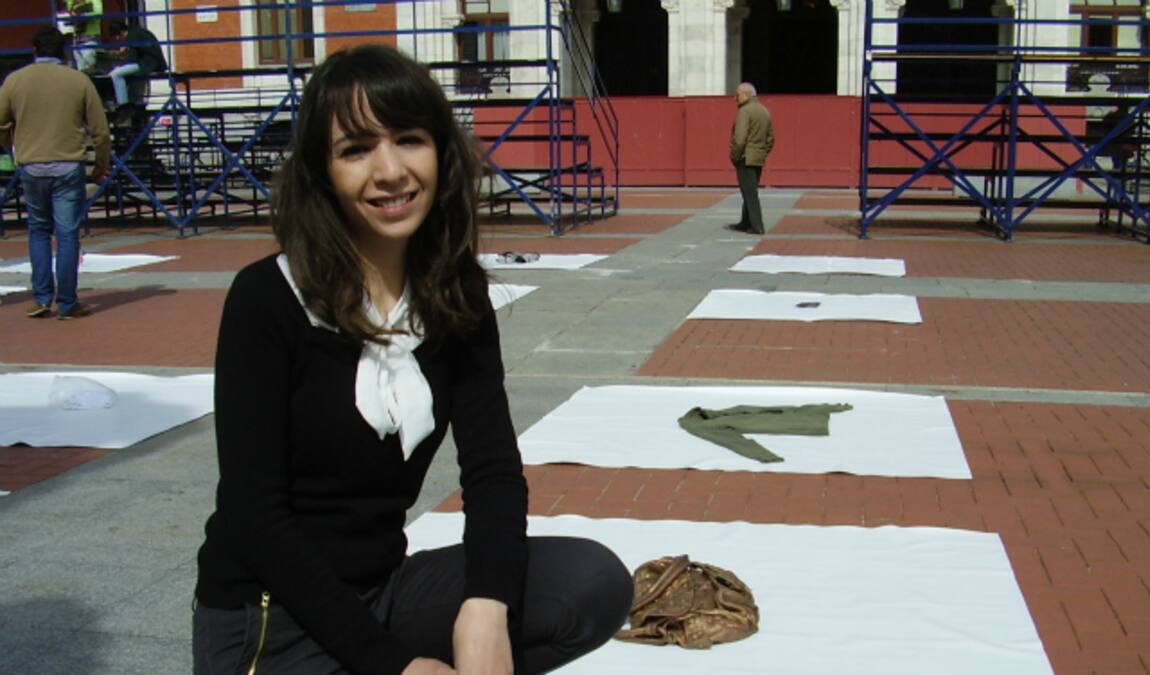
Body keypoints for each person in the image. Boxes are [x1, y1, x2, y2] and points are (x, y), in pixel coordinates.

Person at [192, 44, 633, 675]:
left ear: (440, 152)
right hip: (269, 618)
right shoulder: (269, 298)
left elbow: (493, 470)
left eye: (409, 139)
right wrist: (396, 667)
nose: (391, 171)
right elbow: (255, 516)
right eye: (356, 150)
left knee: (589, 581)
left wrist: (487, 606)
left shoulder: (454, 293)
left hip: (385, 593)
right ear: (322, 170)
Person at [0, 26, 109, 320]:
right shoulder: (78, 80)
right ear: (63, 51)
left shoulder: (15, 80)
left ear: (34, 50)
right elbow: (100, 130)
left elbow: (1, 122)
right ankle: (68, 302)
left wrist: (13, 147)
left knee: (38, 230)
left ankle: (41, 297)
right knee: (67, 233)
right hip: (68, 164)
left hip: (31, 164)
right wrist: (101, 165)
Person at [727, 82, 774, 235]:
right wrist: (762, 152)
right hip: (757, 157)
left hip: (745, 157)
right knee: (749, 190)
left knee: (749, 193)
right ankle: (745, 222)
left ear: (746, 94)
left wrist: (734, 156)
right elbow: (770, 138)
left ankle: (757, 225)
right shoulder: (764, 111)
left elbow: (740, 139)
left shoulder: (744, 111)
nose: (735, 98)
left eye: (737, 95)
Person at [106, 20, 166, 119]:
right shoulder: (136, 33)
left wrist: (121, 59)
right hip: (149, 62)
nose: (118, 39)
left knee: (116, 74)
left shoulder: (132, 36)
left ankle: (124, 105)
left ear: (121, 32)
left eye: (117, 36)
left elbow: (132, 59)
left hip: (147, 64)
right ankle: (130, 103)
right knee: (119, 74)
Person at [67, 0, 103, 74]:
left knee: (89, 69)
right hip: (77, 39)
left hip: (90, 39)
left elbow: (98, 14)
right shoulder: (73, 2)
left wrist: (82, 15)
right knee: (81, 70)